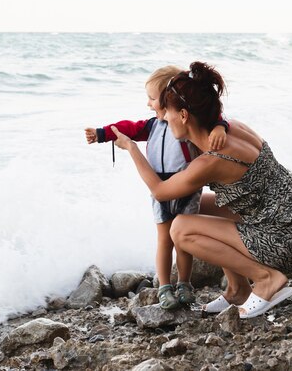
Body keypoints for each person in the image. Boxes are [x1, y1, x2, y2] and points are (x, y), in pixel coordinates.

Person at [110, 61, 292, 318]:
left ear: (184, 115)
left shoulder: (211, 160)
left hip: (284, 243)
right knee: (202, 205)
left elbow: (161, 192)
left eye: (168, 112)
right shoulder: (233, 128)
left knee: (180, 228)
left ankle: (266, 279)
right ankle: (237, 289)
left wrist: (132, 148)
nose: (163, 117)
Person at [85, 65, 230, 310]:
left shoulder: (183, 123)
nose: (148, 104)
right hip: (159, 187)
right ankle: (164, 287)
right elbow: (127, 128)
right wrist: (102, 134)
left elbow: (213, 119)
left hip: (187, 186)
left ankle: (184, 283)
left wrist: (220, 127)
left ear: (167, 98)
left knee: (183, 240)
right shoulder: (151, 126)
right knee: (164, 239)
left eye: (152, 99)